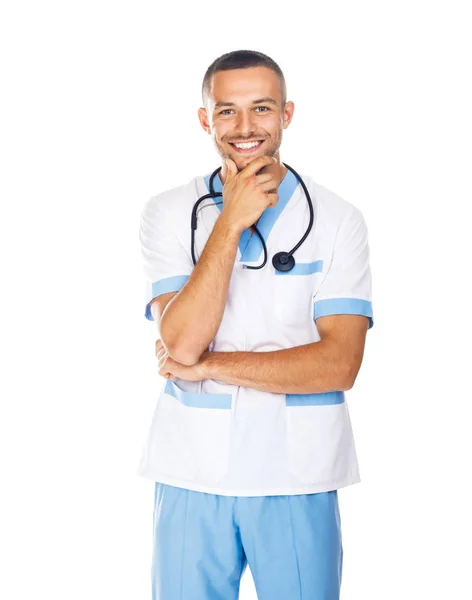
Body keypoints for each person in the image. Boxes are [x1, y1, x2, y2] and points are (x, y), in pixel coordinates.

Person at [137, 49, 374, 600]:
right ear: (205, 120)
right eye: (227, 111)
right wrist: (231, 219)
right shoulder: (168, 212)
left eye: (261, 109)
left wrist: (208, 365)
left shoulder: (339, 220)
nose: (245, 127)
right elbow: (181, 338)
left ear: (287, 114)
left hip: (297, 477)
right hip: (191, 471)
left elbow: (339, 364)